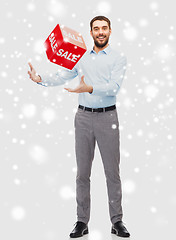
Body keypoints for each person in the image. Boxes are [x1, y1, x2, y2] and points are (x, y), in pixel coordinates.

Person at [28, 15, 130, 238]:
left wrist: (89, 88)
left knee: (112, 172)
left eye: (104, 28)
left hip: (107, 117)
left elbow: (113, 88)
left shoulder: (118, 58)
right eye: (96, 29)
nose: (100, 32)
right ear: (91, 32)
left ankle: (117, 221)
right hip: (83, 119)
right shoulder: (81, 56)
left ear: (110, 31)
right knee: (82, 173)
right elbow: (62, 75)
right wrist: (40, 78)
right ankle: (82, 221)